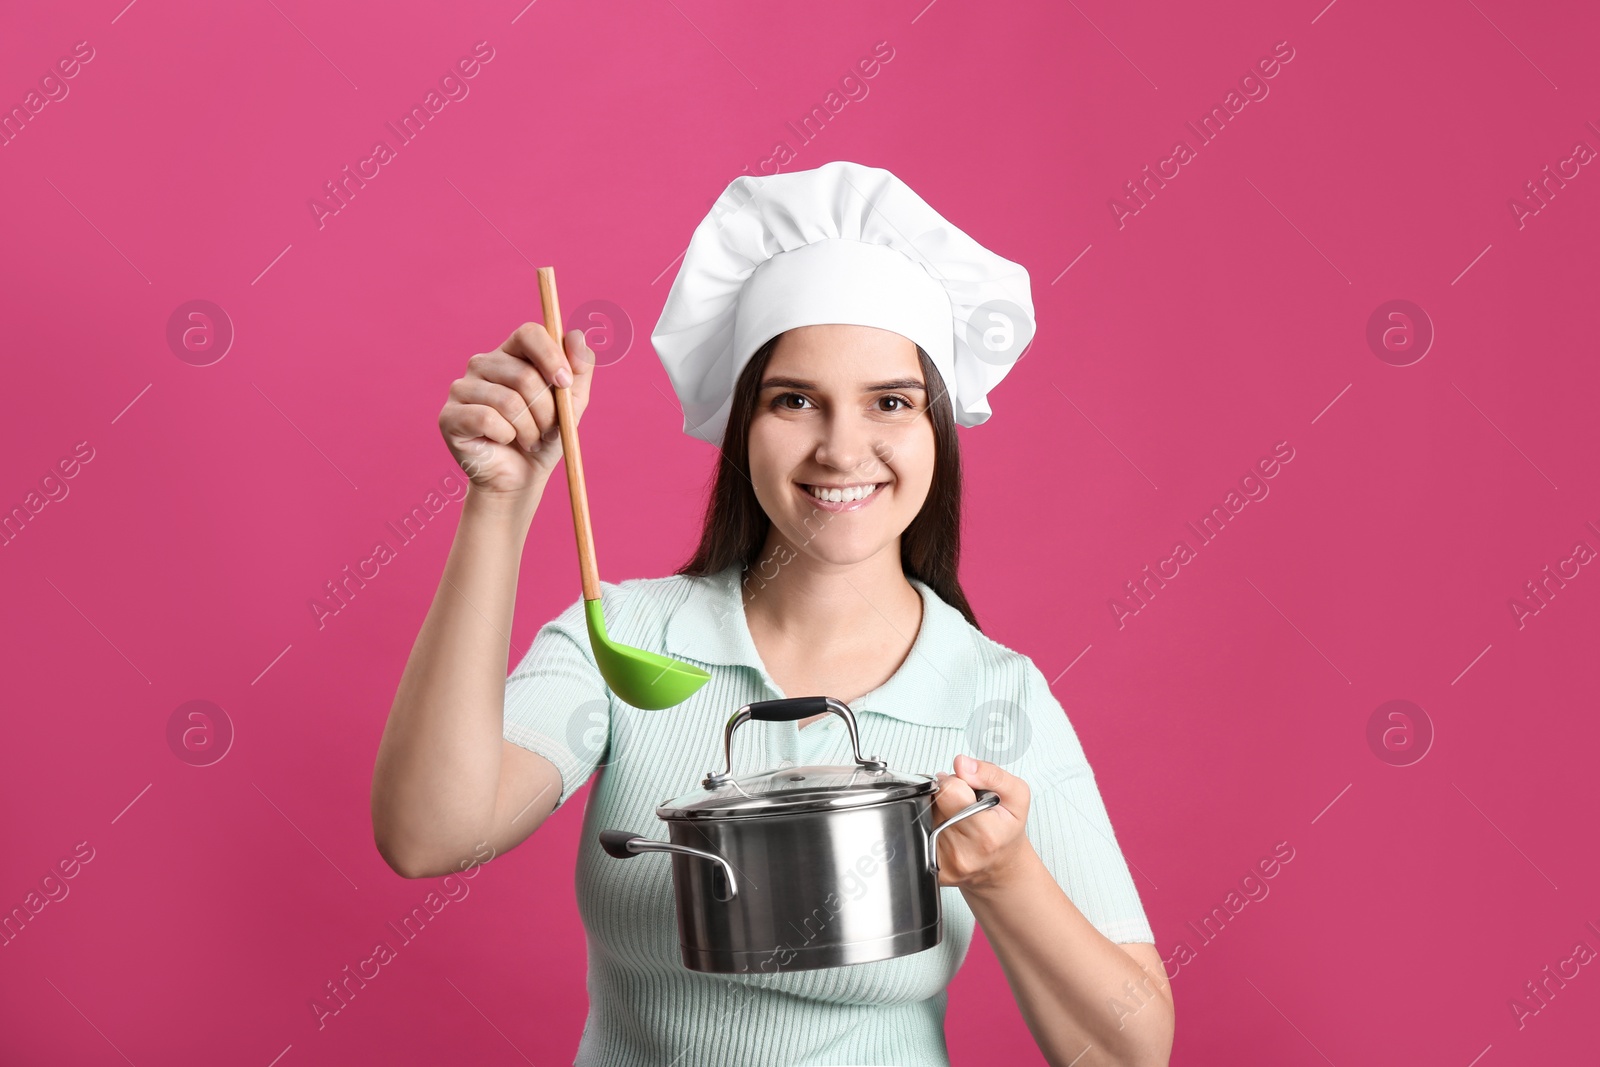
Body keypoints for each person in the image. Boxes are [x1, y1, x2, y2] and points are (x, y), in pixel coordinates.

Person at [371, 161, 1174, 1067]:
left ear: (936, 431)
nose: (841, 448)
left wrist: (1004, 873)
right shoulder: (629, 642)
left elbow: (1127, 1052)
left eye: (891, 402)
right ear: (742, 425)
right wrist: (500, 501)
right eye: (794, 399)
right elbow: (428, 833)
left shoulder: (995, 694)